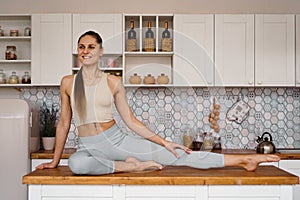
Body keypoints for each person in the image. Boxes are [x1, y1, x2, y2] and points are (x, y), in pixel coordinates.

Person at [36, 30, 280, 174]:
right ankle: (132, 167)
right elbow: (64, 123)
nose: (85, 50)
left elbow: (131, 120)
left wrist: (164, 141)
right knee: (77, 165)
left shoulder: (112, 82)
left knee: (177, 155)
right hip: (88, 146)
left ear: (100, 52)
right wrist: (55, 161)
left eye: (91, 46)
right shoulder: (67, 82)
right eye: (81, 47)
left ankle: (244, 160)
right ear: (77, 51)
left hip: (116, 142)